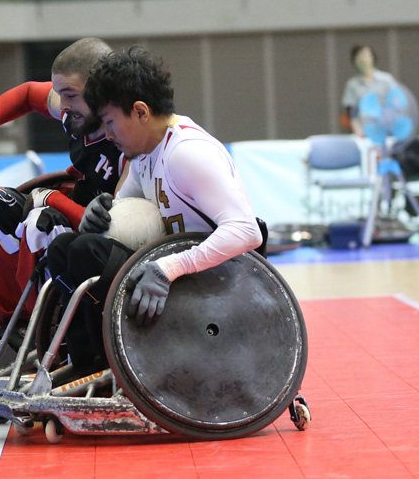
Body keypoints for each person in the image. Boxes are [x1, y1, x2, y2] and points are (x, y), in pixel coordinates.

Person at [46, 46, 265, 375]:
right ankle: (89, 365)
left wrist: (168, 269)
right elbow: (122, 217)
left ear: (140, 112)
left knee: (86, 252)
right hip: (178, 278)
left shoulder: (187, 153)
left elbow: (248, 232)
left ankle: (115, 369)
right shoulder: (144, 153)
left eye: (109, 122)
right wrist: (99, 214)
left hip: (219, 285)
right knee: (66, 247)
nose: (106, 134)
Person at [0, 37, 128, 325]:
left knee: (42, 221)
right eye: (59, 94)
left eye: (70, 95)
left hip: (103, 238)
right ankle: (12, 322)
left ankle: (46, 326)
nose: (63, 106)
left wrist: (50, 197)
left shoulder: (129, 139)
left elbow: (119, 229)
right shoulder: (77, 110)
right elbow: (29, 93)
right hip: (76, 211)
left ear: (103, 90)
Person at [341, 44, 397, 137]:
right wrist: (357, 130)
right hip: (364, 133)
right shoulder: (352, 84)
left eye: (365, 55)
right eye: (358, 57)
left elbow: (396, 103)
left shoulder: (387, 80)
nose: (362, 59)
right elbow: (351, 112)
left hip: (387, 130)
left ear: (372, 58)